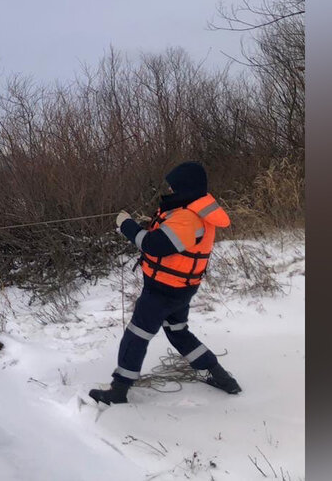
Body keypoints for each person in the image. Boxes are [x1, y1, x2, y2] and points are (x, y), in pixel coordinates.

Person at [88, 161, 242, 405]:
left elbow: (153, 246)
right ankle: (221, 377)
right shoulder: (192, 210)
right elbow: (168, 235)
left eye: (173, 187)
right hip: (181, 288)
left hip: (163, 290)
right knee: (177, 331)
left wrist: (125, 225)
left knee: (136, 335)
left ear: (186, 188)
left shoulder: (188, 218)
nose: (169, 191)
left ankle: (118, 391)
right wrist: (146, 225)